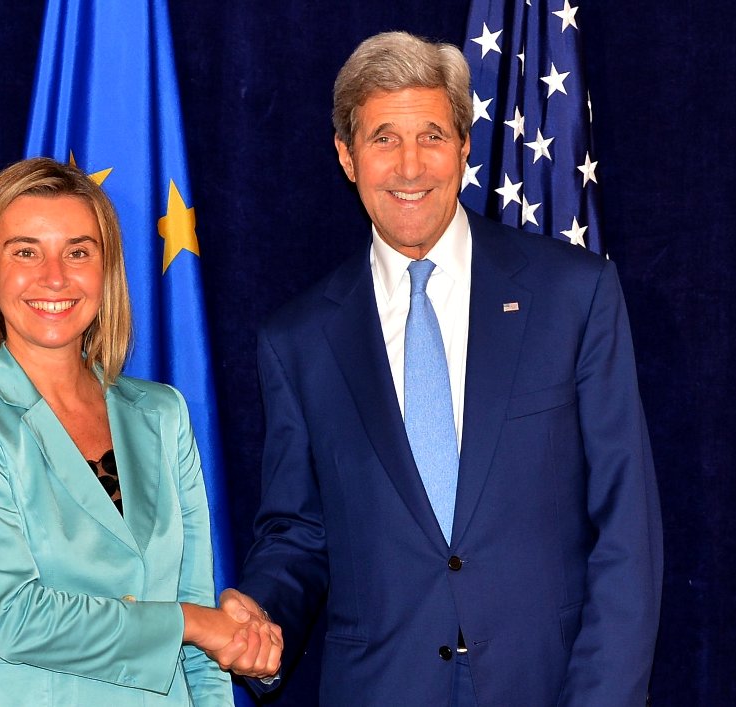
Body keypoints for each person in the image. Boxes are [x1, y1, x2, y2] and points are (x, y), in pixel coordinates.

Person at [219, 32, 663, 706]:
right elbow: (299, 532)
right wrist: (260, 617)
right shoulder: (299, 338)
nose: (408, 166)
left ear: (463, 145)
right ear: (345, 155)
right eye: (382, 139)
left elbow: (625, 529)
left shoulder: (572, 295)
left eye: (430, 134)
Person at [0, 157, 281, 705]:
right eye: (25, 251)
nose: (54, 277)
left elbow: (195, 615)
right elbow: (16, 618)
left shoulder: (162, 414)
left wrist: (210, 638)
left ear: (106, 268)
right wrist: (194, 623)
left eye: (78, 251)